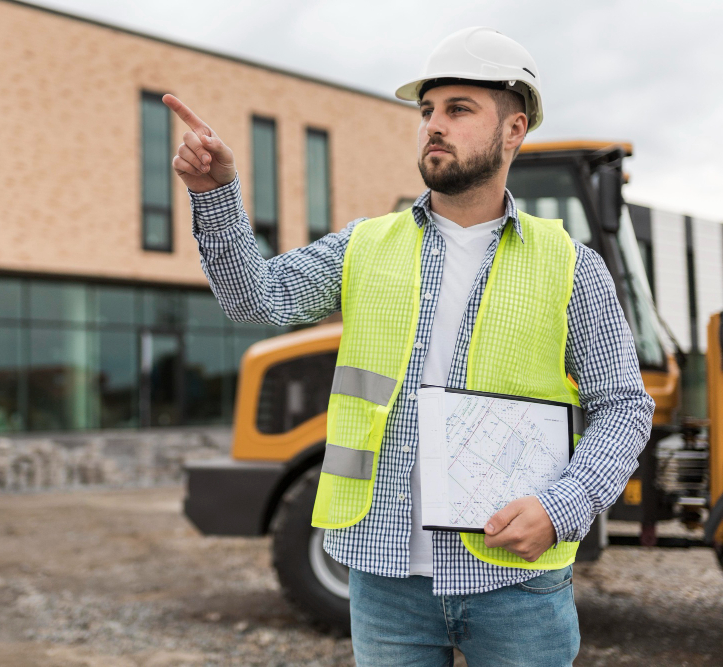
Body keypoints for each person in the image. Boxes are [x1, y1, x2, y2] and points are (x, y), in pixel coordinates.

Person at [164, 26, 654, 666]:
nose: (433, 126)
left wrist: (565, 508)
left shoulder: (571, 266)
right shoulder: (365, 245)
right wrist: (215, 195)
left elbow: (624, 407)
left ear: (514, 131)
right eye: (427, 111)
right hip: (385, 578)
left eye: (458, 109)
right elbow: (258, 297)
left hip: (518, 584)